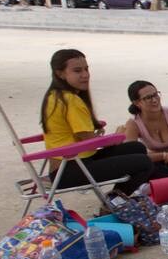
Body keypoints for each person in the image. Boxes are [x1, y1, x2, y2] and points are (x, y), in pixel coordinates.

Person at [39, 49, 153, 195]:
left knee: (136, 148)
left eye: (86, 69)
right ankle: (115, 202)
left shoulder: (54, 95)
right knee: (144, 163)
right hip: (69, 169)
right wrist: (115, 138)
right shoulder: (70, 100)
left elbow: (78, 134)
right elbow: (87, 139)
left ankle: (116, 199)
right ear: (60, 73)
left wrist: (99, 133)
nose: (85, 75)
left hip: (71, 163)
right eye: (77, 71)